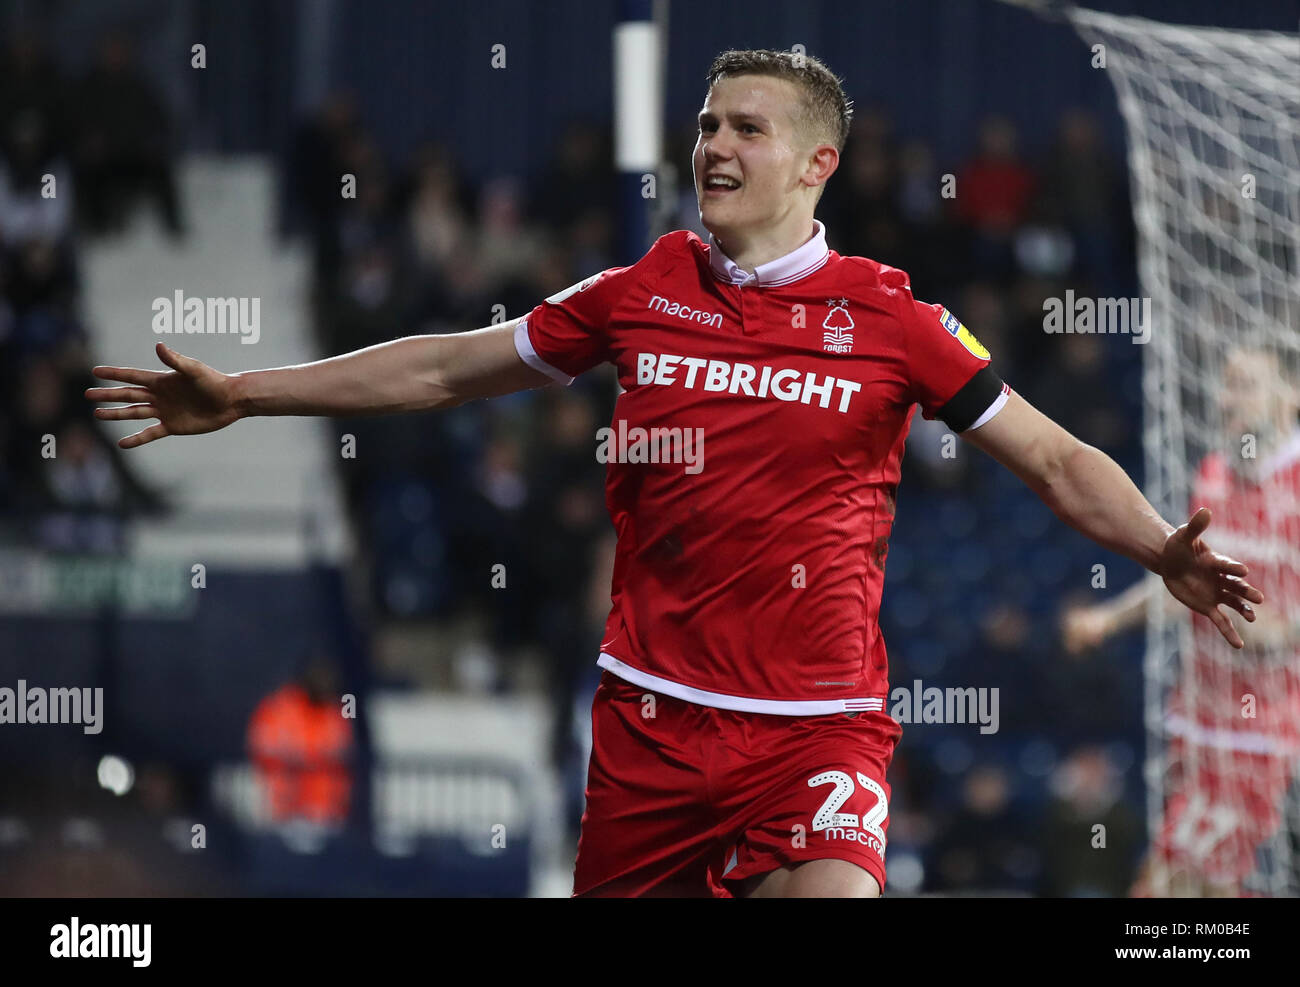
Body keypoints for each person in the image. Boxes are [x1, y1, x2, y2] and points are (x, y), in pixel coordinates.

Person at [86, 49, 1262, 898]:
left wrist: (1160, 544)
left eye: (745, 128)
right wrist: (248, 394)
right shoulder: (638, 293)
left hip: (819, 729)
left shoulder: (894, 320)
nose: (712, 146)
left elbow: (1052, 456)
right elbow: (445, 370)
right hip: (651, 727)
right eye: (705, 126)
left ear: (816, 161)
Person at [1062, 346, 1299, 895]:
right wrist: (1108, 619)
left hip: (1261, 735)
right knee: (1215, 892)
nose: (1224, 399)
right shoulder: (1215, 473)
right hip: (1197, 719)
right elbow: (1182, 586)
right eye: (1225, 385)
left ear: (1289, 395)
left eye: (1243, 385)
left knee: (1165, 886)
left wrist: (1270, 632)